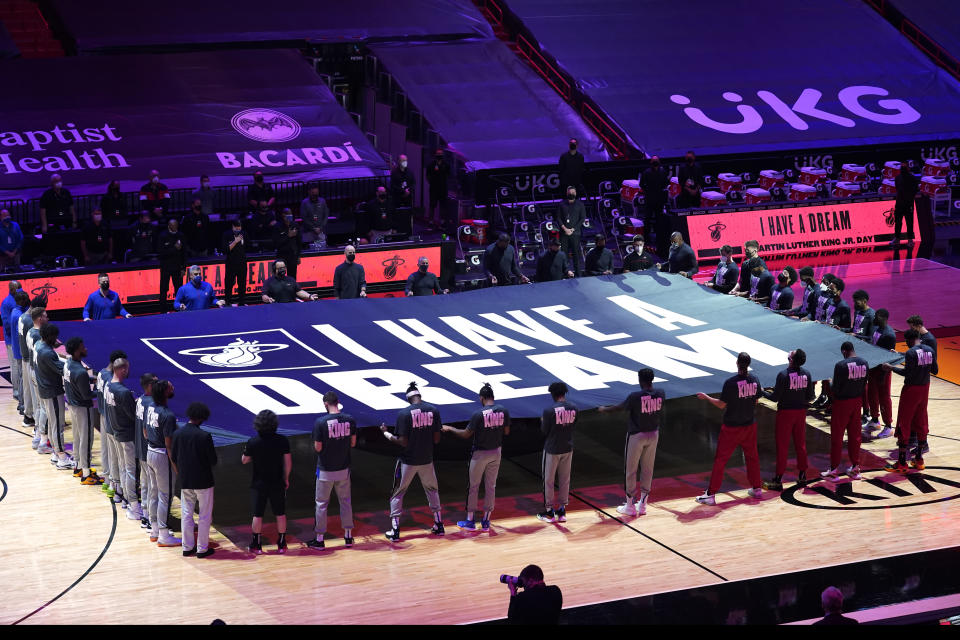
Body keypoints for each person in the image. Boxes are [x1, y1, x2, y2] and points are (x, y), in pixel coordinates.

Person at [380, 382, 444, 541]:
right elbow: (437, 439)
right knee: (432, 490)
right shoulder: (433, 410)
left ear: (408, 399)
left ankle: (395, 530)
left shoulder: (404, 414)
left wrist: (386, 434)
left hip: (408, 461)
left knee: (397, 493)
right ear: (419, 396)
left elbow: (402, 441)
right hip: (427, 460)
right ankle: (439, 524)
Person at [695, 352, 763, 504]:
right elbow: (756, 401)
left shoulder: (731, 383)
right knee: (752, 457)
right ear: (749, 364)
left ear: (737, 363)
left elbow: (721, 404)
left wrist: (706, 397)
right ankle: (757, 488)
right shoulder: (755, 379)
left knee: (721, 460)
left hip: (732, 428)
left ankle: (711, 494)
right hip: (750, 425)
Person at [442, 383, 510, 532]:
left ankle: (470, 521)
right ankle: (486, 521)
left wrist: (450, 428)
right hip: (496, 452)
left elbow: (466, 434)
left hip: (480, 454)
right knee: (491, 486)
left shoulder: (478, 414)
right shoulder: (503, 411)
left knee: (473, 487)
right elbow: (506, 432)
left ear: (482, 398)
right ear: (493, 397)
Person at [599, 368, 664, 516]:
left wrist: (604, 409)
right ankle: (643, 505)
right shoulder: (661, 393)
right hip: (653, 434)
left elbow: (619, 408)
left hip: (637, 435)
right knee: (648, 469)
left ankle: (630, 506)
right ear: (652, 379)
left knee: (631, 470)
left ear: (639, 379)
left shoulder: (635, 396)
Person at [883, 329, 937, 473]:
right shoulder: (929, 350)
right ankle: (919, 460)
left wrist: (891, 368)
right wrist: (900, 355)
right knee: (921, 420)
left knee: (904, 422)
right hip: (925, 388)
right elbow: (935, 369)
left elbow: (906, 372)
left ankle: (901, 463)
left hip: (911, 390)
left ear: (909, 340)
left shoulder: (911, 352)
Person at [761, 349, 815, 491]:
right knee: (801, 445)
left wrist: (761, 392)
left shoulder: (783, 375)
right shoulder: (807, 374)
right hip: (800, 413)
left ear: (791, 359)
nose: (790, 351)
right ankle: (803, 475)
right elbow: (810, 396)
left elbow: (775, 398)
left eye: (792, 352)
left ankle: (778, 480)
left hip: (785, 413)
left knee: (782, 446)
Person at [308, 392, 356, 549]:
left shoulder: (320, 422)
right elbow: (353, 443)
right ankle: (348, 537)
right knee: (345, 502)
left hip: (325, 470)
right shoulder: (349, 420)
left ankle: (320, 539)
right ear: (338, 402)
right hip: (343, 468)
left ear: (325, 404)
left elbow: (318, 447)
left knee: (321, 504)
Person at [170, 402, 217, 558]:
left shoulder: (177, 434)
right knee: (204, 516)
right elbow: (213, 460)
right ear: (202, 418)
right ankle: (202, 549)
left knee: (186, 513)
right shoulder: (204, 436)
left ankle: (187, 546)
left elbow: (174, 457)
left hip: (185, 480)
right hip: (203, 481)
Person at [243, 409, 291, 554]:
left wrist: (253, 455)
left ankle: (256, 544)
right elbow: (288, 462)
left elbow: (244, 460)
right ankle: (282, 543)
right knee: (280, 513)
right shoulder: (282, 440)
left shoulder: (253, 442)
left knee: (257, 514)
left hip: (259, 484)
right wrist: (286, 478)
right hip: (277, 482)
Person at [821, 342, 869, 480]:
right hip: (856, 403)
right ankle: (855, 467)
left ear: (844, 351)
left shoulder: (841, 365)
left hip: (842, 404)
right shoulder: (864, 363)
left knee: (837, 437)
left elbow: (836, 389)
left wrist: (829, 382)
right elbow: (864, 383)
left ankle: (834, 470)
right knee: (855, 436)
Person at [104, 357, 143, 521]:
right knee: (130, 470)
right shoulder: (123, 392)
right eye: (127, 369)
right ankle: (134, 506)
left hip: (115, 431)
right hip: (126, 434)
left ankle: (128, 500)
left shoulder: (108, 385)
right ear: (123, 370)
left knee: (123, 468)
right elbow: (132, 415)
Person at [145, 379, 182, 548]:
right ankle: (164, 534)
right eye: (170, 386)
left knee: (154, 493)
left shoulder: (150, 407)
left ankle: (154, 530)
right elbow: (168, 444)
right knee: (165, 496)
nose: (173, 386)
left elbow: (145, 432)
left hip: (150, 451)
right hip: (161, 455)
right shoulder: (168, 415)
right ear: (165, 392)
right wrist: (175, 466)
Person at [64, 337, 102, 485]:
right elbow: (87, 395)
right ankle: (86, 474)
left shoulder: (69, 363)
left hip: (72, 405)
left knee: (78, 437)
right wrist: (101, 391)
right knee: (86, 439)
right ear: (77, 351)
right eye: (82, 347)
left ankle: (78, 466)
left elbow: (78, 380)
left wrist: (91, 379)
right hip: (82, 407)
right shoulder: (80, 372)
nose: (85, 348)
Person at [538, 381, 578, 523]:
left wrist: (543, 421)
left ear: (553, 394)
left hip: (552, 449)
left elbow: (544, 431)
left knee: (548, 481)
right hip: (567, 447)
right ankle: (562, 511)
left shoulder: (549, 411)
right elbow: (573, 425)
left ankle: (549, 512)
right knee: (564, 480)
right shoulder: (574, 407)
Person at [36, 323, 72, 469]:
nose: (57, 339)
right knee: (58, 424)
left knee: (53, 423)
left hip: (44, 388)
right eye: (55, 336)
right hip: (52, 390)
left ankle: (55, 454)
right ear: (50, 336)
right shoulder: (47, 352)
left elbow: (54, 359)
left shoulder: (40, 345)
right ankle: (62, 457)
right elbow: (61, 369)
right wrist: (73, 363)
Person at [96, 349, 127, 501]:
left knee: (105, 450)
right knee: (115, 454)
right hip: (110, 417)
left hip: (102, 413)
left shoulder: (101, 372)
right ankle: (116, 488)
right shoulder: (111, 380)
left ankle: (107, 481)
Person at [864, 308, 896, 440]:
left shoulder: (889, 335)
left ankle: (888, 426)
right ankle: (875, 420)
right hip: (873, 367)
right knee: (872, 394)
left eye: (876, 316)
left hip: (882, 370)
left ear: (883, 317)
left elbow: (889, 356)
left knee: (884, 398)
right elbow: (872, 342)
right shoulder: (875, 329)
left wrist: (883, 375)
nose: (874, 318)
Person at [134, 372, 158, 530]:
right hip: (148, 448)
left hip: (140, 447)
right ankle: (151, 520)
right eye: (156, 383)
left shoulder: (140, 399)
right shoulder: (151, 403)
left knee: (145, 483)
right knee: (153, 487)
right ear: (149, 386)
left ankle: (145, 514)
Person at [157, 218, 185, 313]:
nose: (175, 227)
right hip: (166, 267)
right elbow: (161, 253)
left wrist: (183, 268)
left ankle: (179, 308)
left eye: (177, 225)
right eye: (173, 226)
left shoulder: (181, 235)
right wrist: (174, 249)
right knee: (164, 289)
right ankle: (163, 310)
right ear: (169, 226)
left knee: (179, 289)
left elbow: (184, 253)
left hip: (177, 267)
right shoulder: (163, 236)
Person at [1, 280, 22, 410]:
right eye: (18, 289)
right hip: (11, 339)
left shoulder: (20, 299)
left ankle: (22, 389)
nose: (20, 291)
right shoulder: (6, 303)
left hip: (20, 338)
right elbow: (7, 323)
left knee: (20, 365)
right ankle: (16, 391)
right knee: (14, 365)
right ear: (12, 290)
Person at [9, 289, 29, 419]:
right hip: (20, 351)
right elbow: (20, 335)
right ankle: (22, 403)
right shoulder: (18, 315)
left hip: (18, 350)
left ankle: (22, 402)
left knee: (22, 378)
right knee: (23, 379)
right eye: (26, 299)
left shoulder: (15, 311)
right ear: (21, 301)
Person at [639, 156, 669, 241]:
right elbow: (641, 184)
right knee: (647, 218)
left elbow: (666, 183)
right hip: (649, 199)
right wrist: (647, 191)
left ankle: (659, 236)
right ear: (651, 162)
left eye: (656, 160)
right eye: (653, 161)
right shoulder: (646, 172)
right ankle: (646, 237)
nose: (655, 162)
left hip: (659, 199)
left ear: (659, 162)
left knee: (659, 218)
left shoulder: (663, 172)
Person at [558, 186, 585, 276]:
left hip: (575, 233)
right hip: (564, 233)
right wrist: (565, 229)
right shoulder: (561, 204)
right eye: (570, 193)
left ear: (576, 193)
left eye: (573, 192)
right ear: (567, 193)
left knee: (576, 254)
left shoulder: (580, 205)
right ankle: (566, 273)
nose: (571, 194)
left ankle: (578, 274)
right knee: (564, 254)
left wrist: (573, 229)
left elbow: (582, 219)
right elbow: (558, 218)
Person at [893, 159, 918, 247]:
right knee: (898, 222)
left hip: (908, 204)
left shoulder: (912, 178)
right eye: (902, 166)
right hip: (899, 203)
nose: (903, 167)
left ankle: (910, 240)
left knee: (909, 222)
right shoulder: (897, 178)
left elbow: (915, 190)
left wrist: (909, 198)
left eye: (904, 166)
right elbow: (897, 189)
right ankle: (897, 239)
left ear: (908, 167)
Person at [221, 219, 247, 306]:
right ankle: (228, 302)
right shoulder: (226, 234)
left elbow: (248, 246)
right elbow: (226, 250)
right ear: (232, 227)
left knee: (242, 283)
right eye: (236, 228)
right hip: (231, 263)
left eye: (239, 228)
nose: (238, 229)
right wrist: (235, 242)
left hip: (242, 263)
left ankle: (242, 302)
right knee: (229, 283)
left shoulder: (244, 233)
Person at [273, 209, 301, 280]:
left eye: (290, 214)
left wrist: (298, 256)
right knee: (280, 277)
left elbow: (299, 242)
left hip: (292, 256)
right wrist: (288, 236)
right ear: (283, 215)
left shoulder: (295, 225)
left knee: (292, 277)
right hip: (282, 256)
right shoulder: (277, 226)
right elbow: (276, 243)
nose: (289, 216)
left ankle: (292, 290)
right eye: (287, 214)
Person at [426, 149, 450, 228]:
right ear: (435, 155)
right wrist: (431, 182)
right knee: (432, 205)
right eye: (438, 154)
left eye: (441, 154)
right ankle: (430, 222)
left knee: (443, 206)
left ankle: (442, 222)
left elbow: (449, 175)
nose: (439, 155)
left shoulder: (446, 164)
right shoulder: (431, 164)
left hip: (443, 189)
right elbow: (427, 175)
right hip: (433, 189)